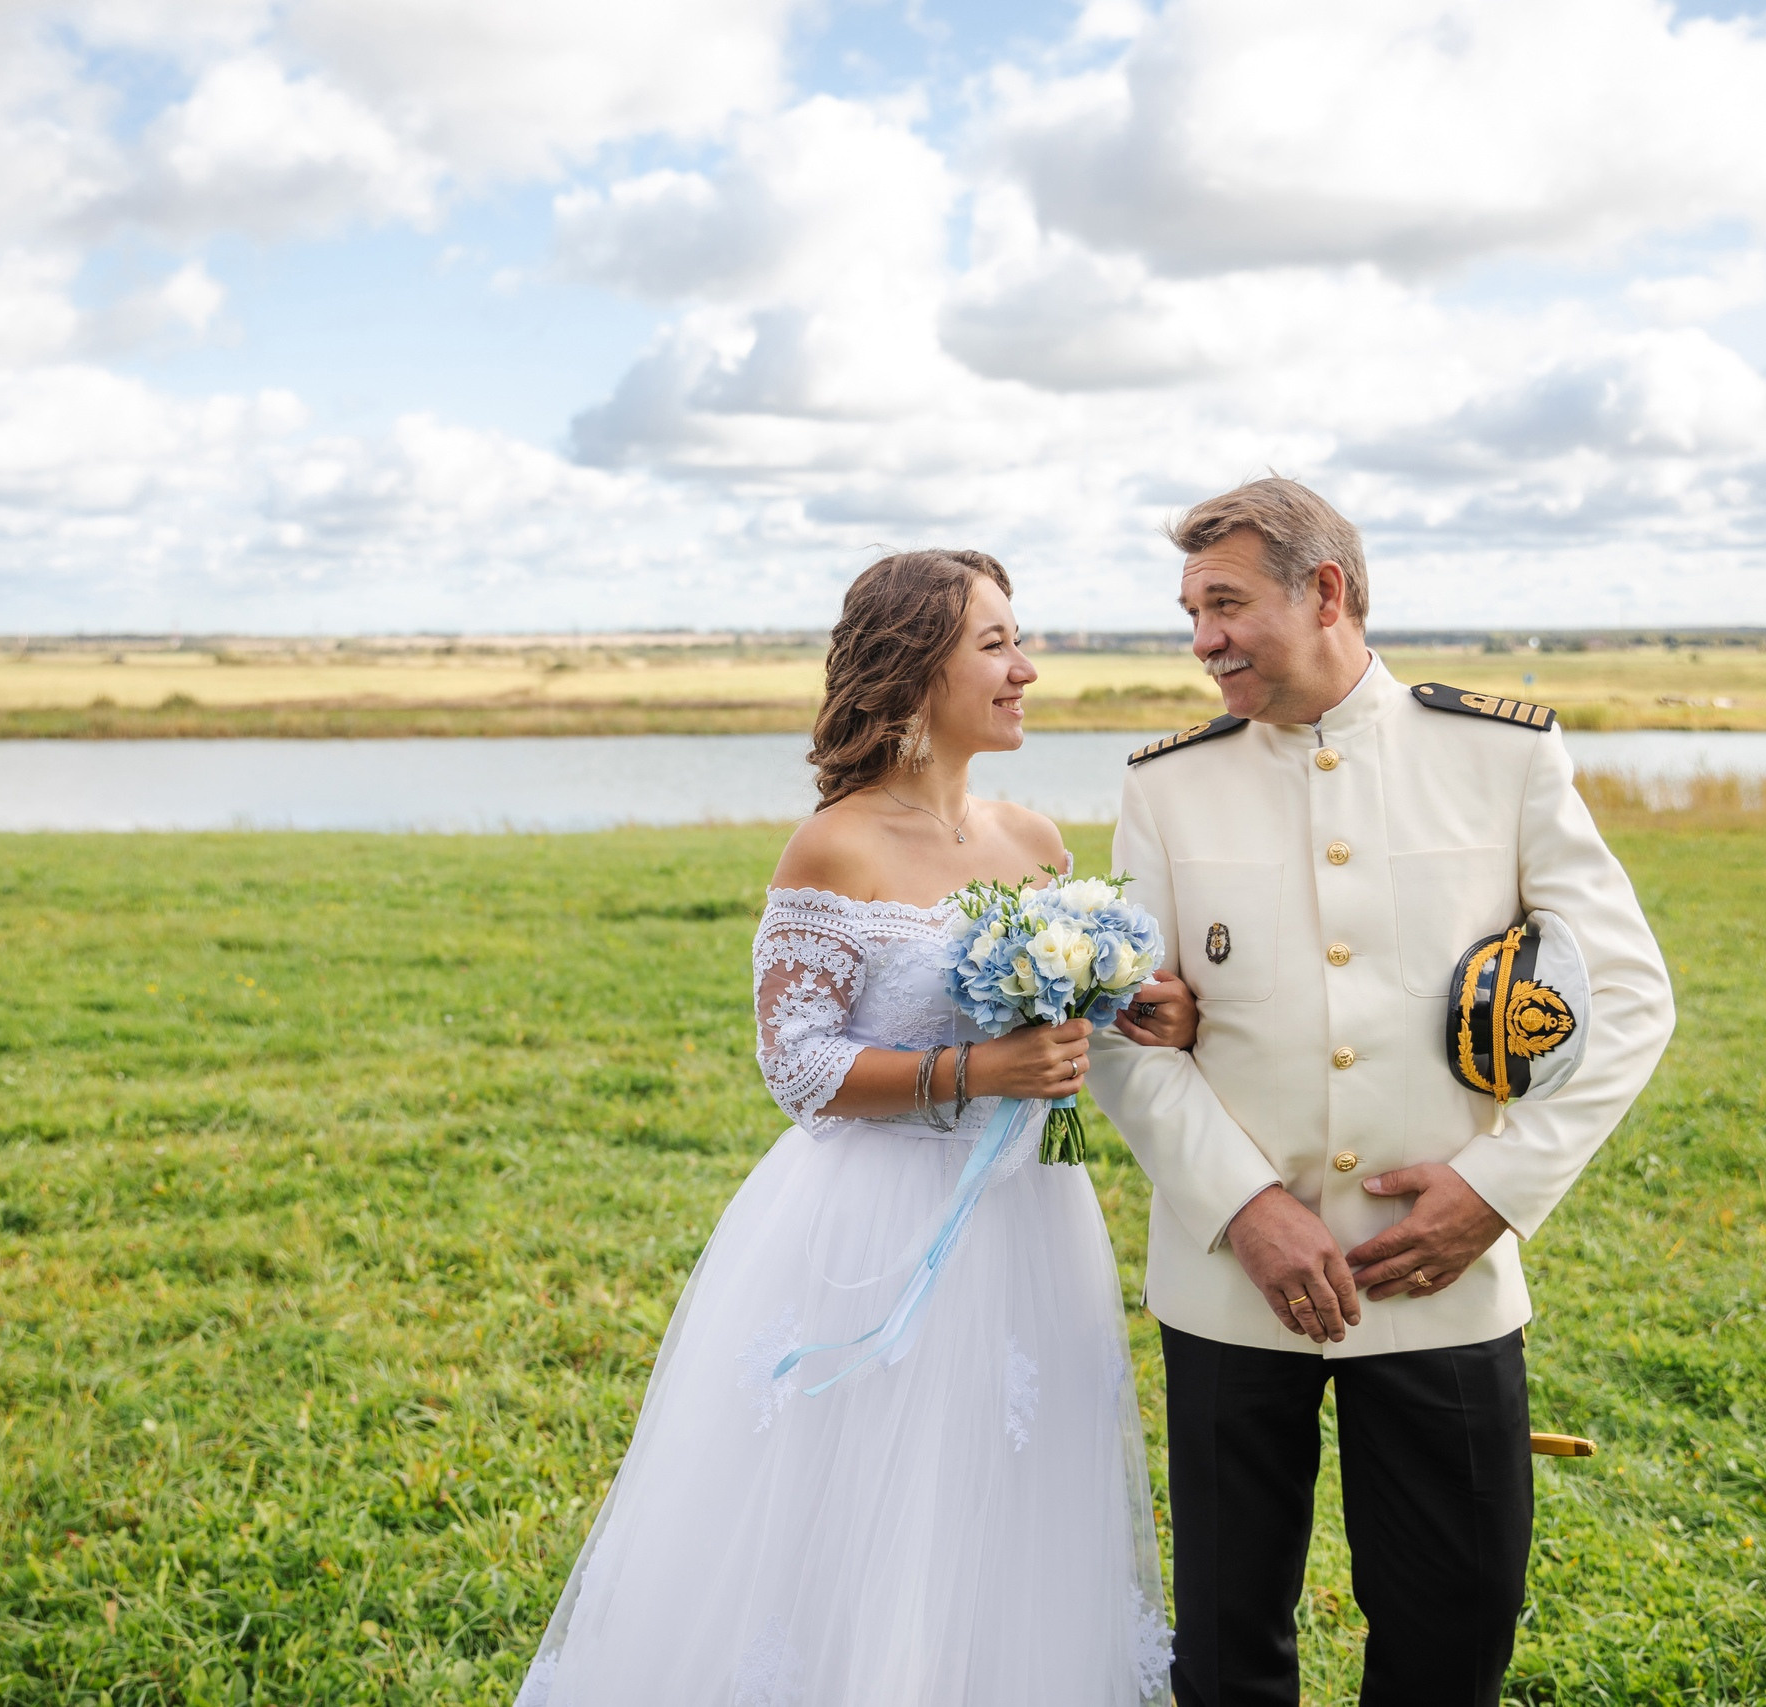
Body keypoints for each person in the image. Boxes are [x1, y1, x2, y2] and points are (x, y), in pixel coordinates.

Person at [514, 549, 1187, 1707]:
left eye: (1019, 642)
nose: (1025, 670)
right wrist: (978, 1070)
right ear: (916, 669)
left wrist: (1128, 1007)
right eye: (996, 646)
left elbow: (1059, 1011)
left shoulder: (1036, 841)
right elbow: (799, 1064)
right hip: (877, 1220)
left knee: (1008, 1492)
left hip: (1029, 1213)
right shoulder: (835, 847)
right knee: (867, 1504)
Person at [1084, 479, 1676, 1707]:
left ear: (1326, 592)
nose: (1202, 641)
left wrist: (1495, 1192)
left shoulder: (1502, 754)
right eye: (1191, 613)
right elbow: (1124, 1034)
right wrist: (1244, 1207)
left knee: (1453, 1630)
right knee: (1227, 1650)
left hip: (1441, 1281)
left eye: (1224, 605)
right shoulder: (1165, 786)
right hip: (1230, 1286)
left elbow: (1627, 997)